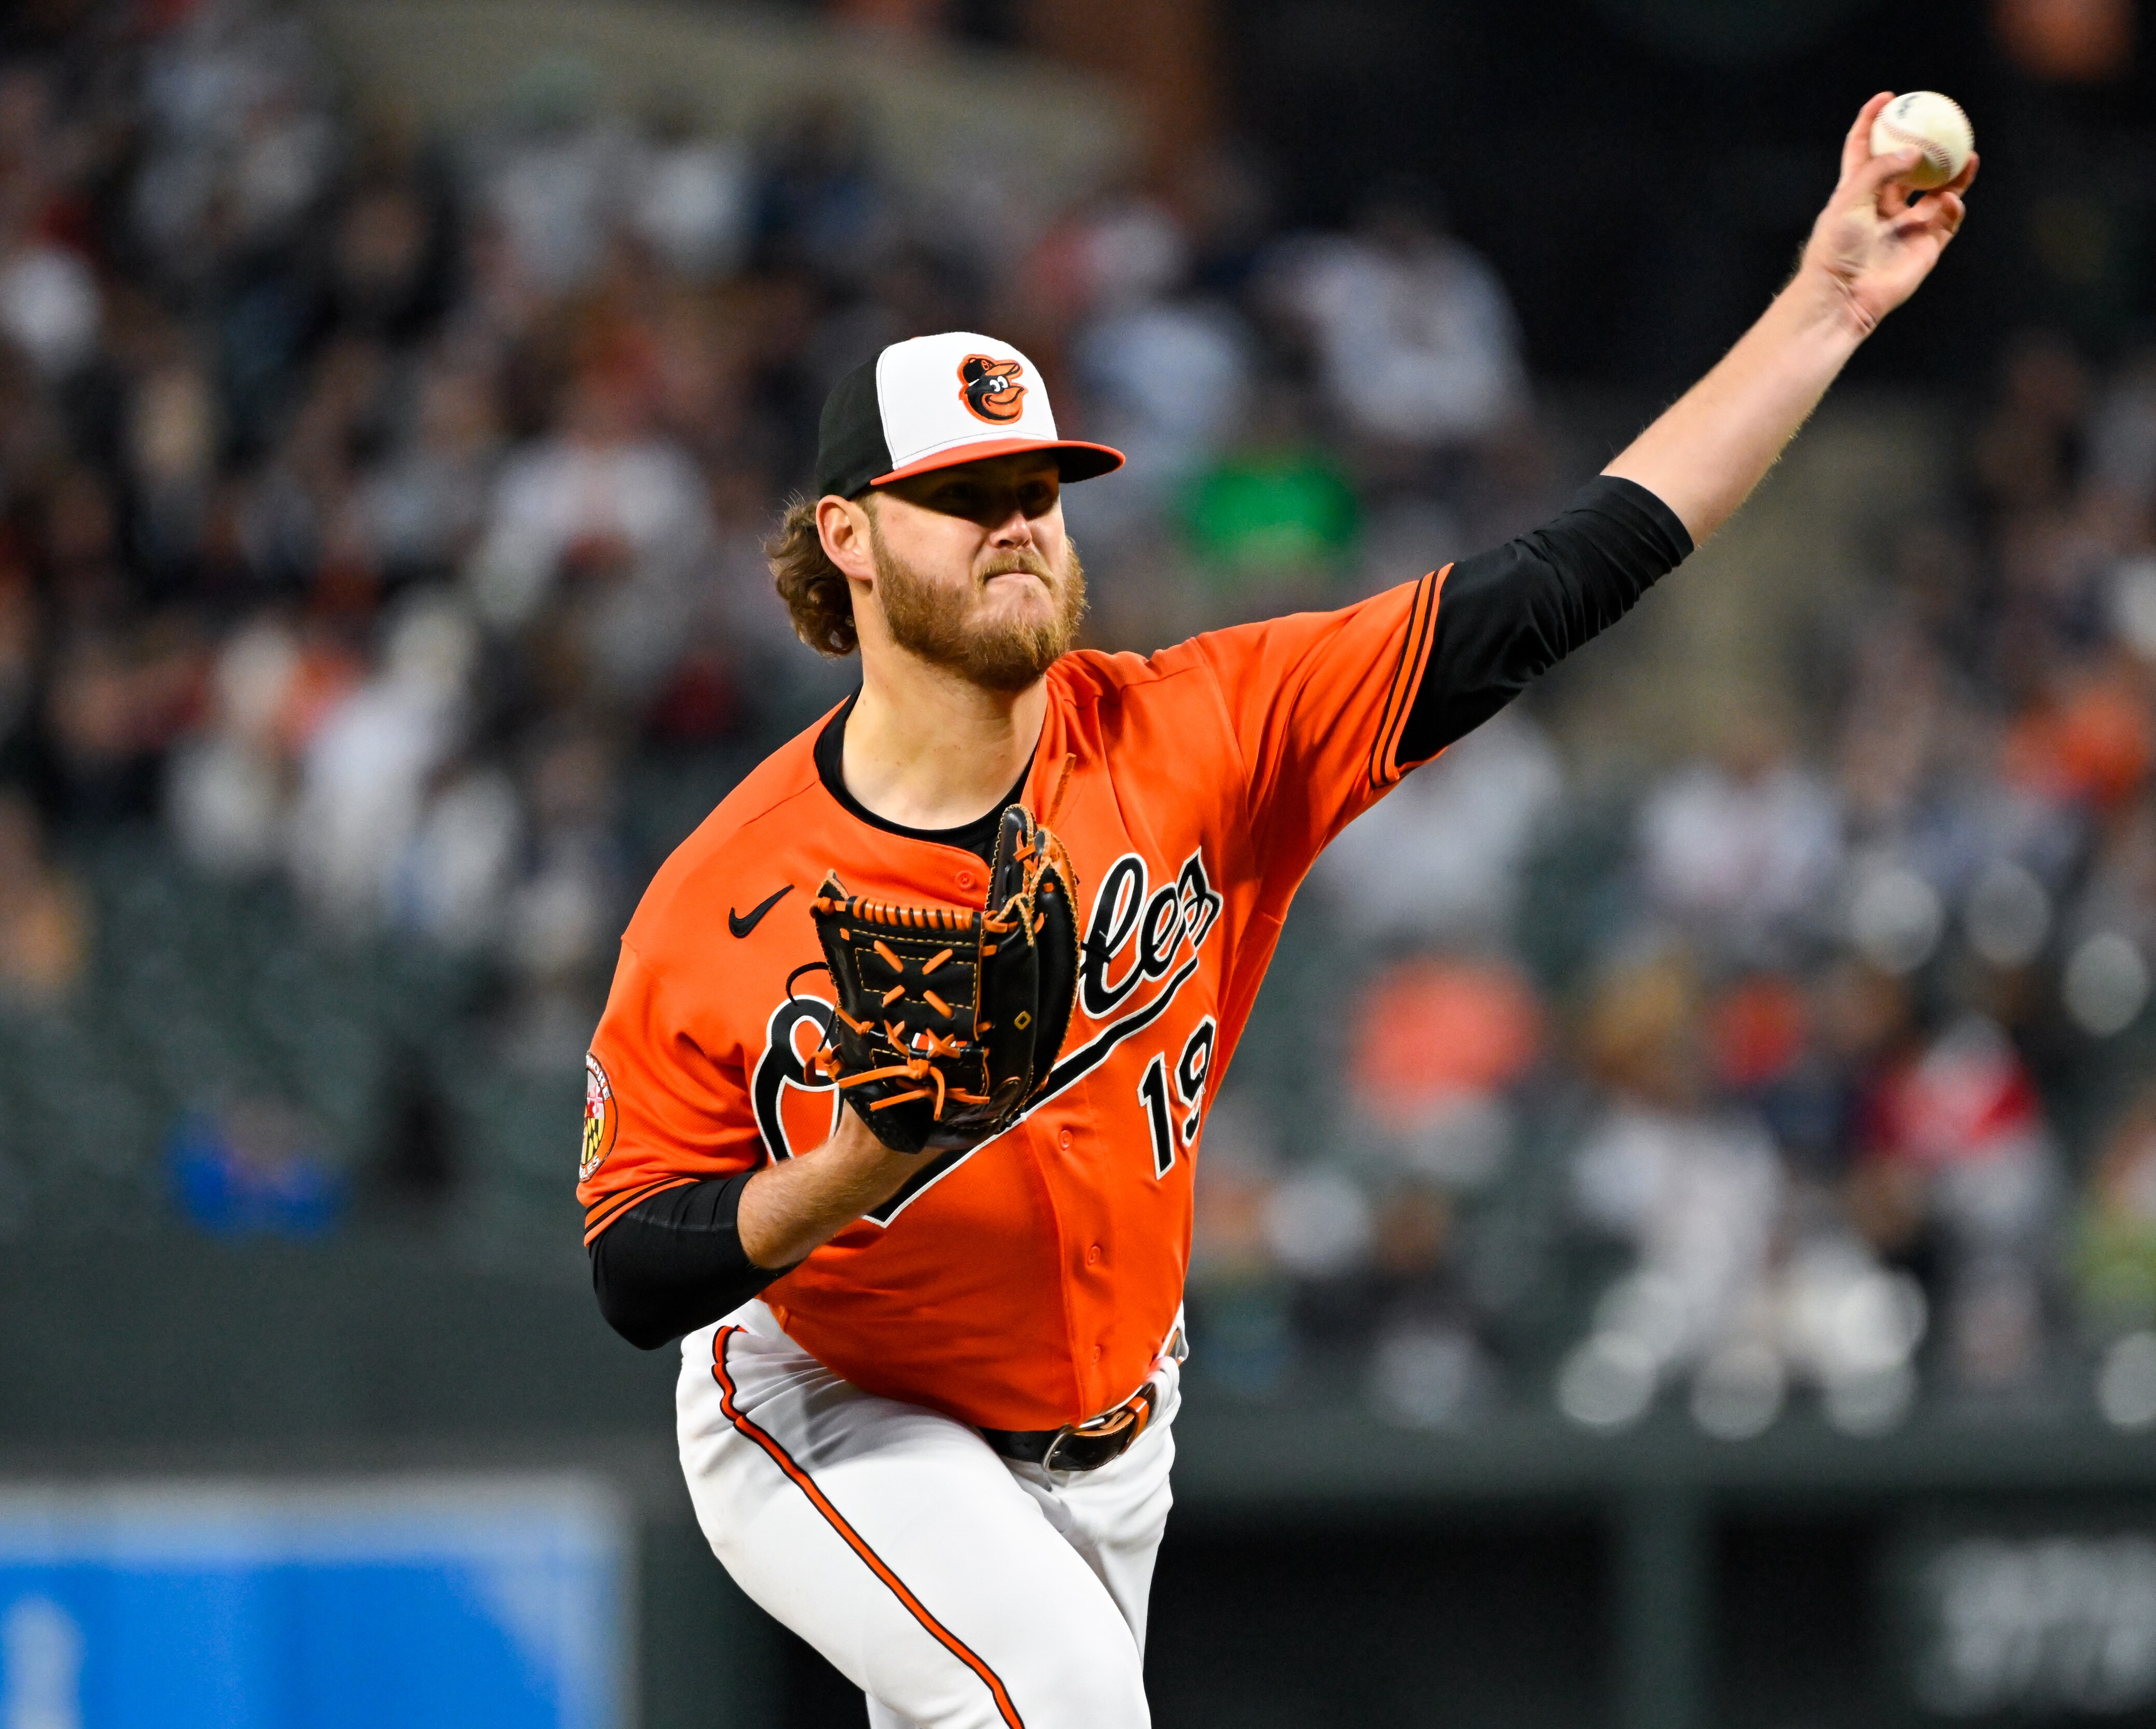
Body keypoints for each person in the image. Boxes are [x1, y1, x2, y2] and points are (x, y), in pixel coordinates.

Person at [578, 97, 1973, 1728]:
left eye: (1041, 484)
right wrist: (859, 1169)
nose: (1020, 521)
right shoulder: (733, 891)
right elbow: (633, 1270)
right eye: (968, 496)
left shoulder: (1203, 730)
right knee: (1065, 1706)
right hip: (835, 1409)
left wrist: (1828, 304)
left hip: (1114, 1429)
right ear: (849, 544)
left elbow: (1577, 565)